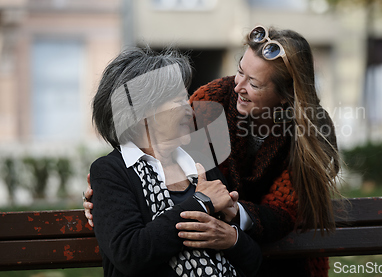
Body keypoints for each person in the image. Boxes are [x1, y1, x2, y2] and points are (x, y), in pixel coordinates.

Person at [85, 25, 342, 277]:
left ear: (285, 95)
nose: (238, 85)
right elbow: (148, 140)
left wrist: (231, 221)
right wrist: (108, 197)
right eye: (240, 71)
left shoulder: (310, 132)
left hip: (281, 250)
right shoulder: (213, 101)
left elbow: (282, 215)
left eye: (253, 83)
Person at [89, 47, 262, 277]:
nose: (188, 107)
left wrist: (231, 238)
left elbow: (253, 261)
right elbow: (130, 254)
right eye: (177, 99)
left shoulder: (201, 165)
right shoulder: (112, 171)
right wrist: (202, 203)